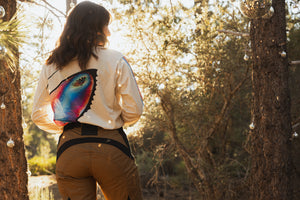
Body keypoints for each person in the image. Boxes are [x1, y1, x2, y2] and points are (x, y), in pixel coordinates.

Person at [31, 1, 144, 199]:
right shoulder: (116, 59)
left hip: (70, 149)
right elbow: (135, 109)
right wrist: (110, 119)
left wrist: (68, 125)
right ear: (95, 28)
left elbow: (38, 115)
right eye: (106, 25)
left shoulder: (51, 64)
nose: (109, 32)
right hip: (111, 147)